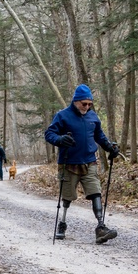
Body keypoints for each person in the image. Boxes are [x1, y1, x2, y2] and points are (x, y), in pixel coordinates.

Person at [44, 84, 120, 244]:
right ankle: (62, 223)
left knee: (95, 192)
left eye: (89, 104)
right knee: (67, 196)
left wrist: (110, 148)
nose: (86, 107)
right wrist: (60, 140)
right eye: (84, 104)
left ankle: (101, 227)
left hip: (89, 162)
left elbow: (99, 135)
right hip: (68, 163)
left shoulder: (92, 117)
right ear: (76, 101)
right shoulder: (63, 116)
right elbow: (49, 133)